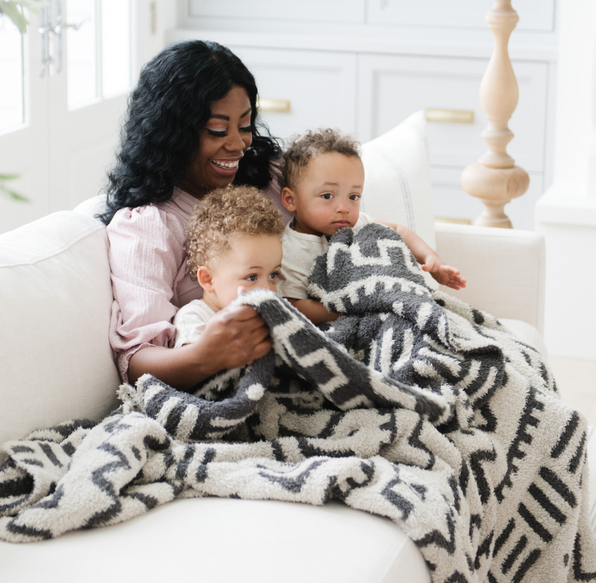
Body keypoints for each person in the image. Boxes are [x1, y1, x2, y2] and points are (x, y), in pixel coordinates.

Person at [98, 39, 291, 391]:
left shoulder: (272, 177)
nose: (238, 145)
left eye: (245, 125)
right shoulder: (149, 226)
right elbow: (138, 360)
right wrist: (207, 355)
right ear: (172, 134)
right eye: (218, 130)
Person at [277, 128, 466, 325]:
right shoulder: (289, 251)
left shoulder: (357, 227)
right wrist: (358, 307)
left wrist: (431, 259)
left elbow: (399, 231)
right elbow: (294, 305)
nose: (344, 208)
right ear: (291, 200)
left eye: (353, 197)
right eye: (327, 196)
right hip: (346, 323)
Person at [173, 185, 284, 348]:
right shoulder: (194, 317)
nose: (267, 290)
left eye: (273, 275)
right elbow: (194, 366)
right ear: (208, 279)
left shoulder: (269, 312)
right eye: (252, 277)